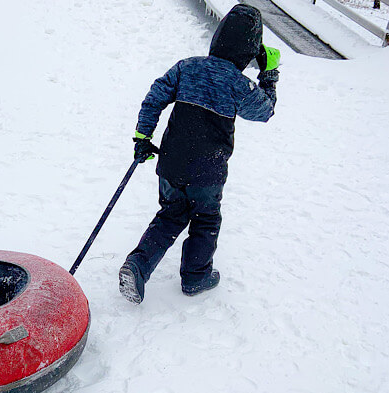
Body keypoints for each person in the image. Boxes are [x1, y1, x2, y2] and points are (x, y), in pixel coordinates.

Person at [119, 5, 280, 304]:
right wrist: (269, 75)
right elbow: (264, 111)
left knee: (170, 214)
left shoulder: (187, 66)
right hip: (207, 169)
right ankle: (196, 276)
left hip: (172, 161)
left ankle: (138, 265)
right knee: (205, 218)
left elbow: (155, 96)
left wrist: (143, 136)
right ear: (249, 50)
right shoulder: (238, 83)